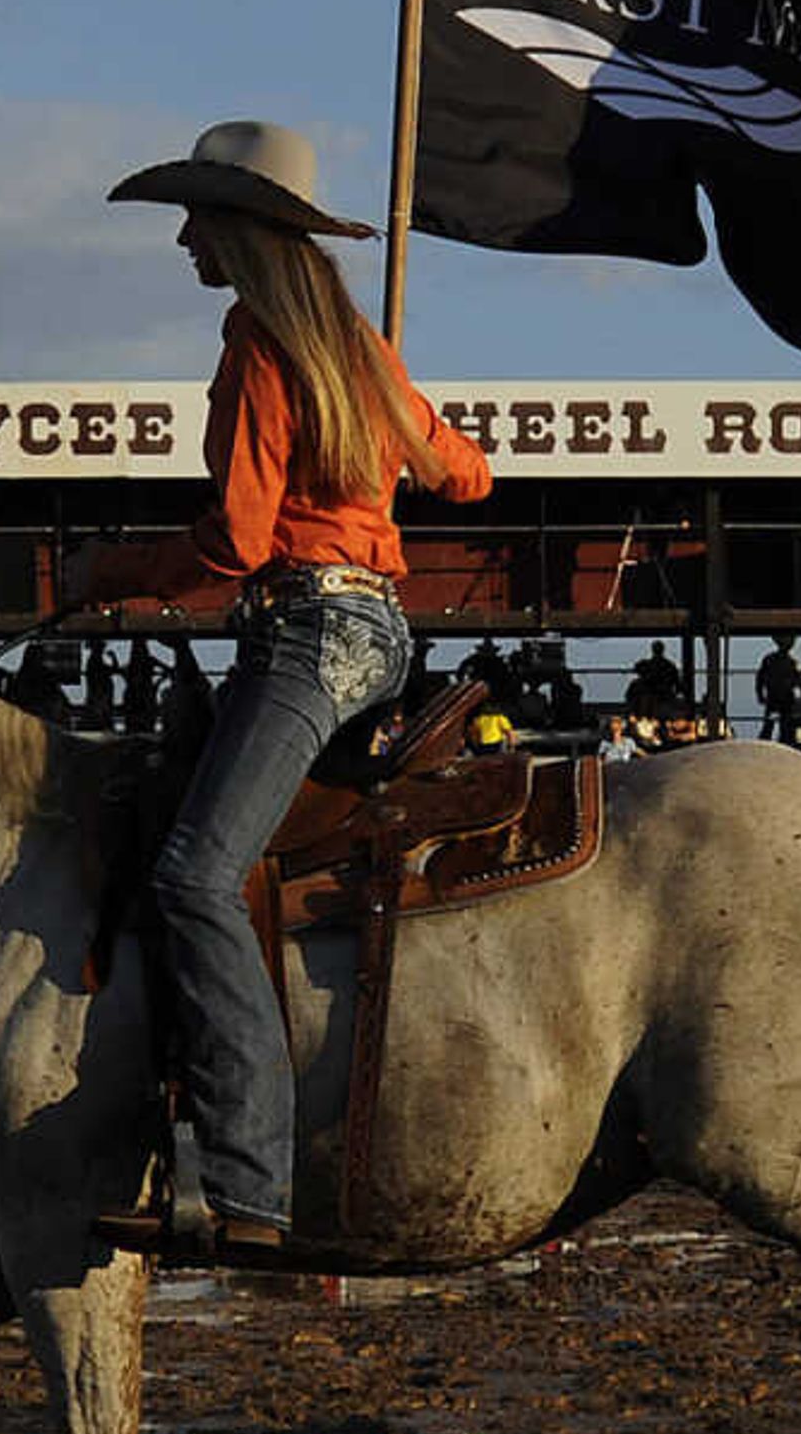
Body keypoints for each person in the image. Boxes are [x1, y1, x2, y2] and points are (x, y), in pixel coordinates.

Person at [70, 121, 494, 1257]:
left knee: (195, 874)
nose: (182, 238)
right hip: (378, 630)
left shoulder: (263, 345)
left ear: (245, 234)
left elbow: (240, 542)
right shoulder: (354, 344)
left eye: (199, 218)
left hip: (306, 631)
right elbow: (464, 472)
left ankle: (249, 1184)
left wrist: (111, 577)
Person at [754, 634, 801, 741]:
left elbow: (760, 678)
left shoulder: (773, 660)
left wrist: (760, 693)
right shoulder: (790, 662)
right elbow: (798, 682)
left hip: (781, 699)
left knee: (777, 726)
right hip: (780, 699)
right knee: (775, 726)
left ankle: (772, 743)